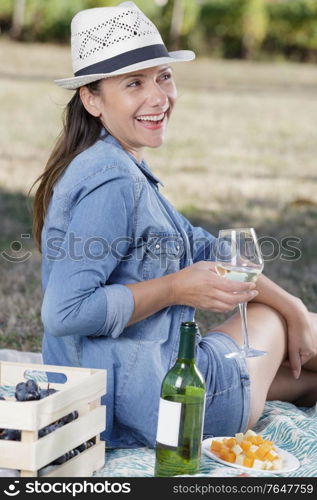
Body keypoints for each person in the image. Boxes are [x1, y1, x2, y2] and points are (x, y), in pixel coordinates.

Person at [31, 2, 317, 449]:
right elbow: (65, 313)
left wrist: (295, 306)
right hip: (166, 406)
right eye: (134, 83)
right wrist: (176, 288)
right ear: (92, 98)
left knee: (297, 354)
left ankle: (299, 383)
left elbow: (205, 249)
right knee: (270, 319)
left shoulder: (112, 165)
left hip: (120, 406)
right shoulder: (113, 181)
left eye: (163, 76)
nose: (158, 97)